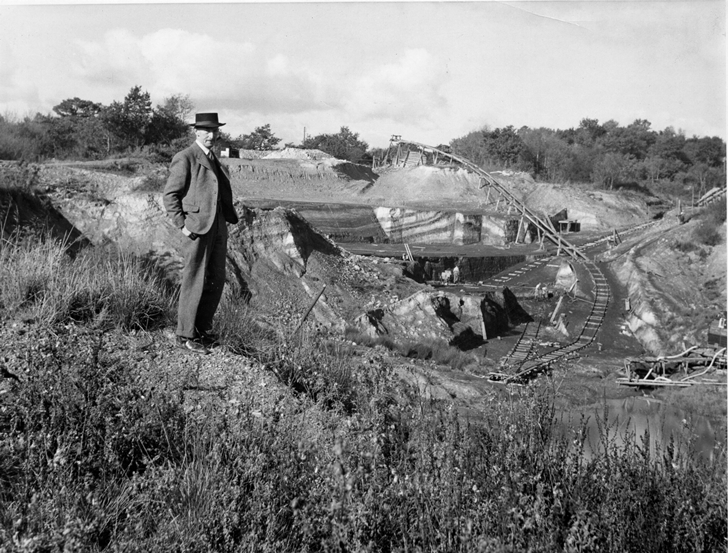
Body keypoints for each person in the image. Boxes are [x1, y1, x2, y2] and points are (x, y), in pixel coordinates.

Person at [163, 112, 239, 353]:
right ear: (196, 131)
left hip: (217, 227)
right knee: (194, 279)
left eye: (214, 130)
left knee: (216, 279)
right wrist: (182, 225)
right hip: (197, 227)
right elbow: (170, 195)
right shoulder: (185, 157)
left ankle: (202, 330)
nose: (211, 134)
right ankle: (185, 334)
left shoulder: (212, 157)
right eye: (206, 130)